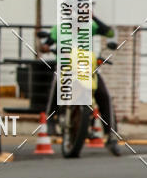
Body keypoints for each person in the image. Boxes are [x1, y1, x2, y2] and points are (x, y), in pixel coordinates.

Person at [41, 9, 120, 156]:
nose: (79, 24)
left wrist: (94, 17)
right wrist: (45, 47)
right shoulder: (59, 29)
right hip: (67, 66)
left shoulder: (91, 26)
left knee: (104, 96)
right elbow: (46, 43)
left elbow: (109, 33)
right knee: (56, 85)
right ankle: (50, 120)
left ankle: (111, 136)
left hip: (87, 68)